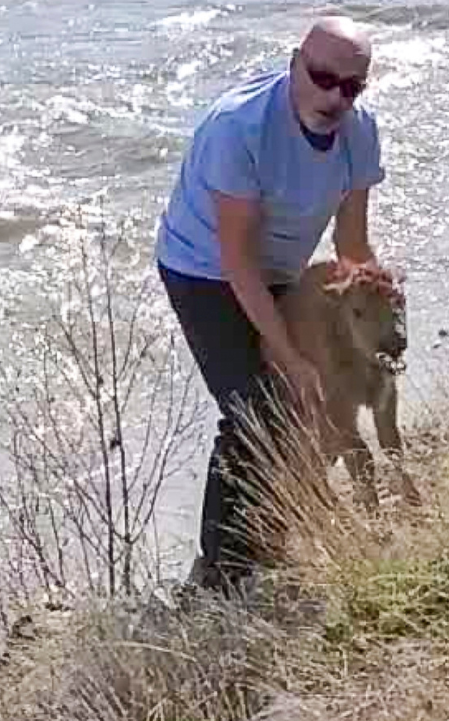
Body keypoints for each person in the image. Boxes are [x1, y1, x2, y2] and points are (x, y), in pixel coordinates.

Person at [153, 15, 387, 595]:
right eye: (322, 77)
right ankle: (219, 577)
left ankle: (274, 532)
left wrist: (376, 296)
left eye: (350, 86)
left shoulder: (359, 134)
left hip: (282, 269)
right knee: (258, 406)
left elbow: (352, 246)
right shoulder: (240, 128)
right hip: (204, 269)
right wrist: (288, 356)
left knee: (322, 396)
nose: (334, 96)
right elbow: (238, 263)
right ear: (294, 64)